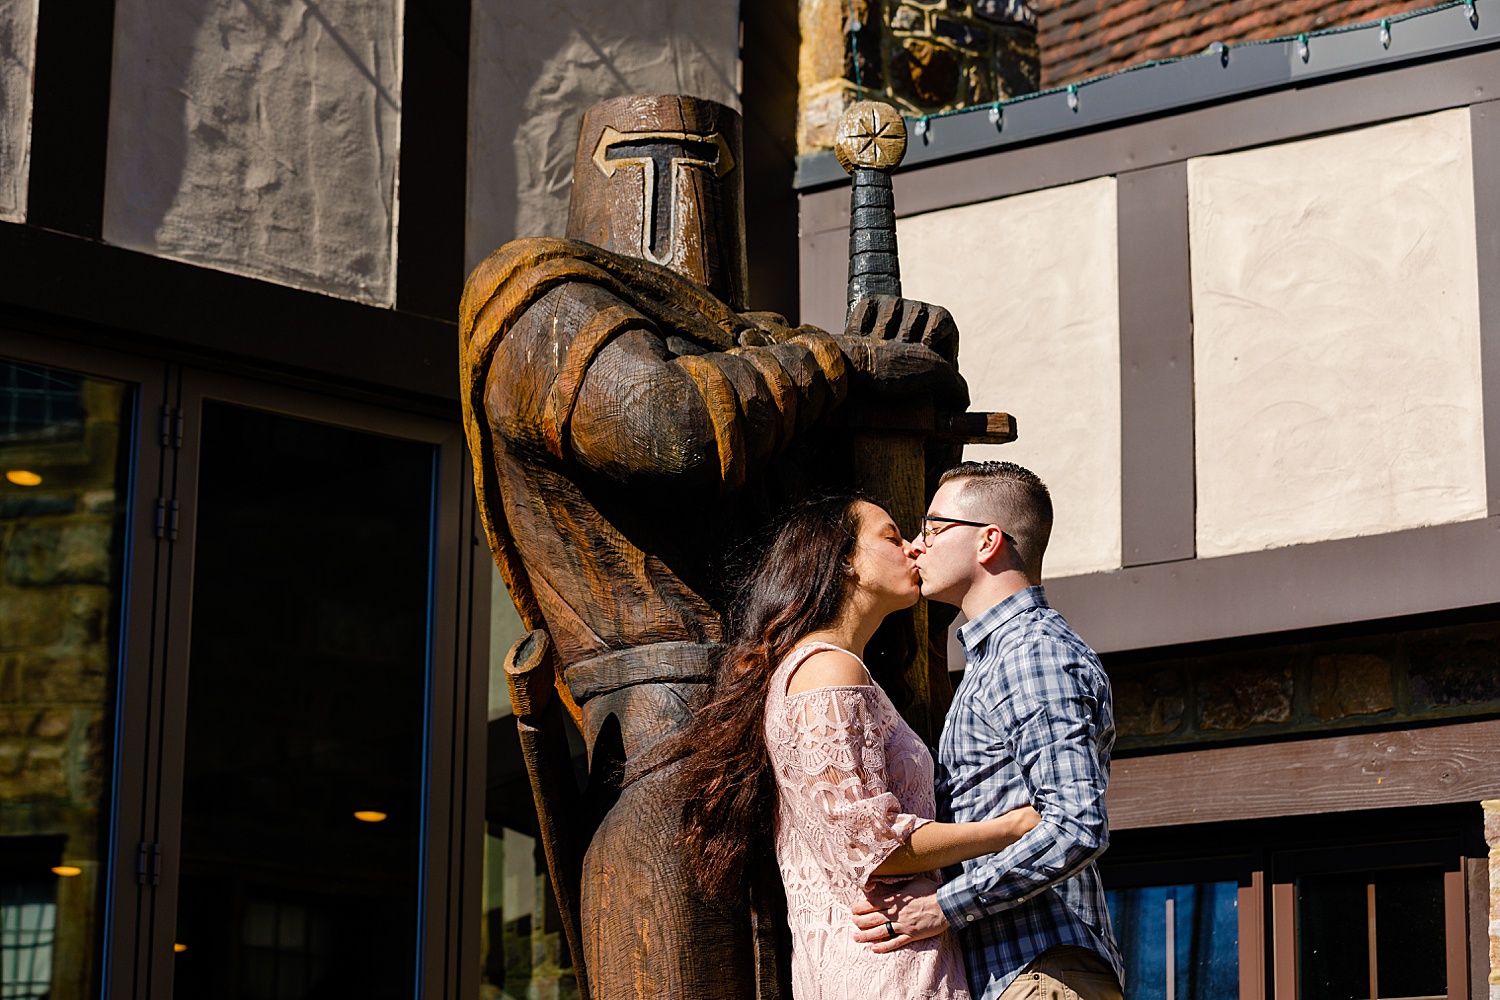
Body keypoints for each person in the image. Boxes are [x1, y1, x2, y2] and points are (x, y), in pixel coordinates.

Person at [664, 496, 1043, 999]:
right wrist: (1010, 828)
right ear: (843, 560)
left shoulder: (826, 669)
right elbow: (871, 844)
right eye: (891, 536)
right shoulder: (828, 670)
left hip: (878, 958)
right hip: (887, 968)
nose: (913, 548)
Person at [851, 461, 1124, 1000]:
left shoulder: (1033, 653)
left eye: (933, 528)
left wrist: (942, 908)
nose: (917, 545)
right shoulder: (997, 657)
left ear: (987, 541)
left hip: (1041, 970)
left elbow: (1076, 826)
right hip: (1019, 973)